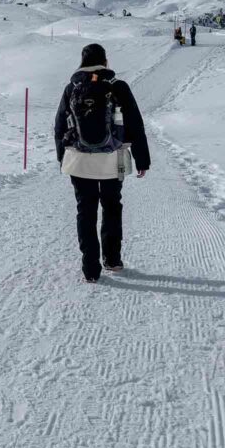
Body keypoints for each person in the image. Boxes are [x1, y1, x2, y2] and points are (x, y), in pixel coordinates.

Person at [54, 43, 151, 283]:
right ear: (105, 61)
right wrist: (142, 159)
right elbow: (135, 124)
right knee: (112, 206)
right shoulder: (118, 86)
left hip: (78, 162)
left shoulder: (72, 88)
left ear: (82, 61)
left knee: (85, 210)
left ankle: (90, 269)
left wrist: (62, 158)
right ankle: (112, 259)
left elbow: (59, 126)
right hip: (113, 159)